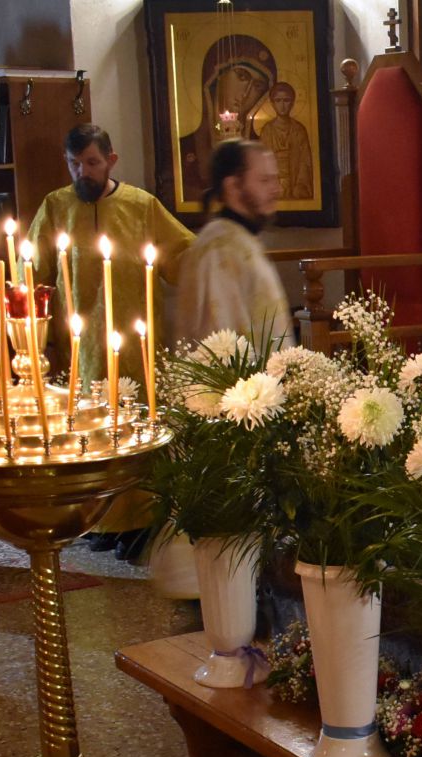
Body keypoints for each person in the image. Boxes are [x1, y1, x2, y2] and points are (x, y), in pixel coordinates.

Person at [29, 124, 194, 560]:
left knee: (134, 432)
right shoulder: (55, 207)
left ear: (111, 160)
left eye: (91, 162)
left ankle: (140, 523)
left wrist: (217, 255)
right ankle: (98, 520)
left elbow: (182, 256)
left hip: (136, 347)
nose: (82, 172)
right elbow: (33, 275)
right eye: (74, 163)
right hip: (80, 350)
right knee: (90, 434)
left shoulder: (141, 206)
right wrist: (39, 338)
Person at [176, 140, 295, 346]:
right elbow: (222, 342)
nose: (276, 189)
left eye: (275, 179)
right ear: (233, 187)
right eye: (264, 180)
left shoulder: (240, 238)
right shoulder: (219, 250)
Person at [178, 34, 277, 203]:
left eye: (257, 86)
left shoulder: (263, 150)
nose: (246, 93)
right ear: (215, 76)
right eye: (242, 76)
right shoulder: (184, 149)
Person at [258, 83, 314, 201]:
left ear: (292, 103)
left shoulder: (299, 130)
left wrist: (300, 185)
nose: (282, 105)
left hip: (294, 182)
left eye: (286, 100)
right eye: (278, 101)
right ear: (272, 103)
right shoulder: (267, 131)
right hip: (275, 183)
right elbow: (262, 162)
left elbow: (305, 161)